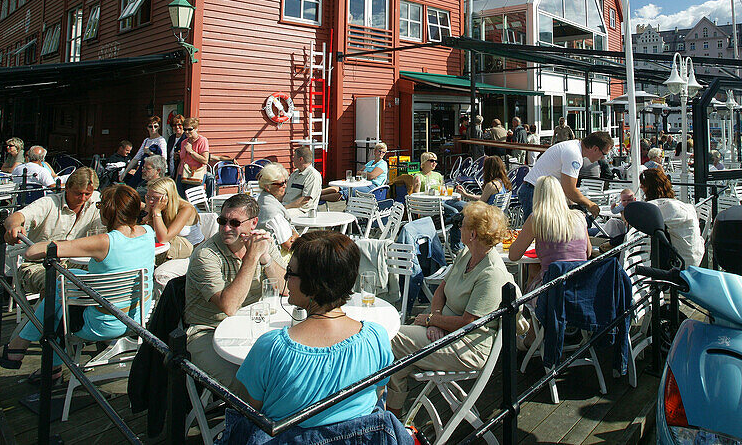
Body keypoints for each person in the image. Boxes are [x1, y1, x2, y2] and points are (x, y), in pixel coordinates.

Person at [0, 183, 155, 381]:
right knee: (65, 286)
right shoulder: (148, 233)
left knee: (58, 297)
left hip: (102, 325)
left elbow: (32, 252)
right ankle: (29, 354)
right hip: (136, 319)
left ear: (106, 211)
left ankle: (22, 349)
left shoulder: (104, 242)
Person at [234, 231, 392, 427]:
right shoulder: (376, 338)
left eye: (290, 272)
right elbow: (378, 392)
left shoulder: (271, 348)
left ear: (314, 285)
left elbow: (254, 407)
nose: (285, 277)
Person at [387, 202, 513, 415]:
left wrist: (431, 321)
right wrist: (435, 317)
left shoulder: (491, 273)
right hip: (447, 332)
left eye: (461, 225)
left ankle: (379, 413)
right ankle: (391, 415)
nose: (458, 229)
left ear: (472, 234)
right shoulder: (467, 254)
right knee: (398, 354)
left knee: (390, 338)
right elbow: (441, 289)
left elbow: (469, 323)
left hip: (468, 347)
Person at [185, 193, 286, 388]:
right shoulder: (205, 255)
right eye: (222, 221)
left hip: (254, 326)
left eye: (234, 223)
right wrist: (251, 258)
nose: (226, 228)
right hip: (207, 332)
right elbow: (229, 307)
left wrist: (266, 259)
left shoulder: (262, 242)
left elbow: (285, 290)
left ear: (253, 223)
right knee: (249, 384)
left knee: (288, 369)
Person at [2, 167, 105, 294]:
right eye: (78, 193)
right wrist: (14, 226)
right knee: (57, 285)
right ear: (66, 188)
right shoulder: (49, 203)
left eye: (87, 194)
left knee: (104, 277)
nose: (83, 198)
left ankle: (84, 313)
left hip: (76, 262)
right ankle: (50, 313)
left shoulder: (96, 200)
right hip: (39, 265)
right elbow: (16, 217)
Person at [509, 177, 591, 290]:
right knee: (534, 268)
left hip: (551, 289)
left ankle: (525, 305)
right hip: (579, 285)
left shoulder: (537, 219)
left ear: (537, 195)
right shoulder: (579, 217)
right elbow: (588, 251)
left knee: (533, 270)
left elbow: (513, 256)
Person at [517, 131, 614, 217]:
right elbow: (570, 190)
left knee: (541, 233)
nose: (603, 158)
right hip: (535, 192)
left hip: (536, 190)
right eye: (604, 154)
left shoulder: (573, 147)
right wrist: (590, 204)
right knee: (536, 233)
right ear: (595, 149)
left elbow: (567, 189)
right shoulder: (574, 154)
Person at [639, 167, 704, 267]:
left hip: (683, 262)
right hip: (696, 254)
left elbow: (640, 223)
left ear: (649, 187)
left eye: (643, 184)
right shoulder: (676, 204)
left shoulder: (665, 207)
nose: (640, 187)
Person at [144, 177, 202, 259]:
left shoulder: (186, 209)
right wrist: (148, 208)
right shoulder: (157, 205)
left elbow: (163, 238)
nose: (151, 201)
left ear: (167, 196)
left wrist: (156, 212)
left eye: (155, 198)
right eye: (148, 197)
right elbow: (145, 224)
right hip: (170, 250)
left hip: (192, 253)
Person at [254, 162, 299, 249]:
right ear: (268, 187)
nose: (285, 186)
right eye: (281, 184)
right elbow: (288, 245)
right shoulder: (271, 210)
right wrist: (296, 235)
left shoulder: (264, 198)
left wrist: (293, 232)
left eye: (285, 182)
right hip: (278, 257)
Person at [275, 145, 322, 218]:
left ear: (301, 159)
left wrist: (284, 207)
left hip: (301, 210)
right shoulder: (295, 173)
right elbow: (285, 193)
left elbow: (305, 200)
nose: (292, 160)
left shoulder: (313, 176)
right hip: (287, 205)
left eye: (294, 157)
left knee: (277, 216)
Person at [120, 117, 166, 185]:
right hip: (144, 171)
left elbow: (163, 159)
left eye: (155, 126)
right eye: (151, 126)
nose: (153, 128)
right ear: (147, 128)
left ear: (159, 127)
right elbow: (136, 158)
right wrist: (125, 172)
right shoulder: (146, 140)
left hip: (155, 173)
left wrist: (149, 153)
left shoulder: (161, 140)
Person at [175, 117, 210, 198]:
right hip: (183, 174)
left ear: (196, 128)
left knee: (193, 200)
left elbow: (205, 160)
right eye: (185, 129)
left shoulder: (202, 140)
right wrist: (177, 178)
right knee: (181, 200)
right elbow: (182, 161)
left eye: (190, 129)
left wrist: (191, 152)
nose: (187, 132)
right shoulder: (184, 142)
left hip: (196, 174)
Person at [166, 114, 186, 178]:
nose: (177, 127)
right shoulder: (171, 138)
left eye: (179, 124)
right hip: (171, 170)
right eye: (174, 125)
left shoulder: (186, 138)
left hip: (181, 172)